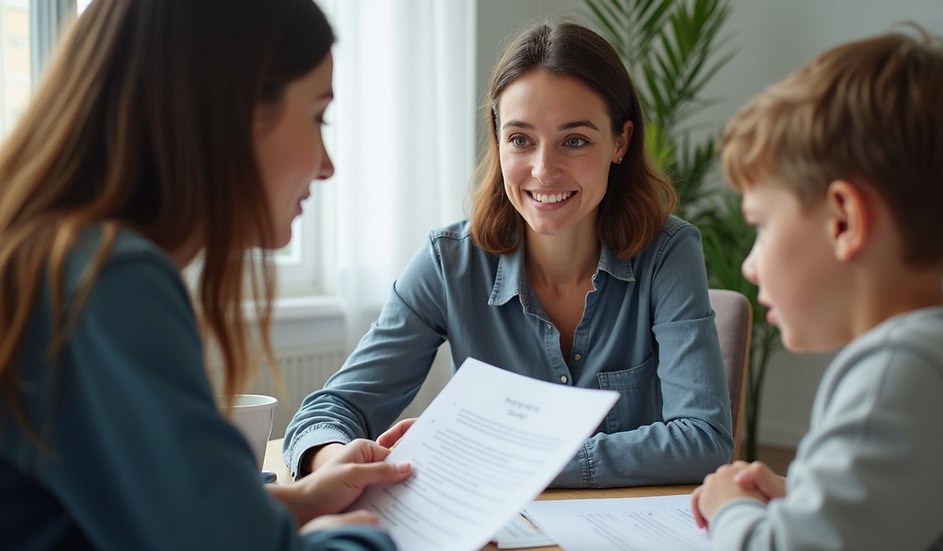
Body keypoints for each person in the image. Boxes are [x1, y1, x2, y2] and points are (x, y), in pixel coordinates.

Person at [0, 1, 412, 549]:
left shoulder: (60, 256)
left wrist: (303, 502)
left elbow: (155, 514)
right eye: (318, 116)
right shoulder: (112, 284)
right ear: (230, 110)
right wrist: (380, 541)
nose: (327, 164)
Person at [285, 20, 734, 489]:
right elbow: (330, 410)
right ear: (499, 140)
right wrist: (330, 459)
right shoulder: (449, 263)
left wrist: (504, 458)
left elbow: (704, 439)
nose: (544, 170)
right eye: (520, 139)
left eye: (575, 140)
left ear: (620, 141)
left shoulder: (668, 254)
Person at [690, 25, 943, 550]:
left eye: (761, 224)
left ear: (843, 221)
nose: (750, 266)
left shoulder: (902, 368)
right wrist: (801, 492)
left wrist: (730, 508)